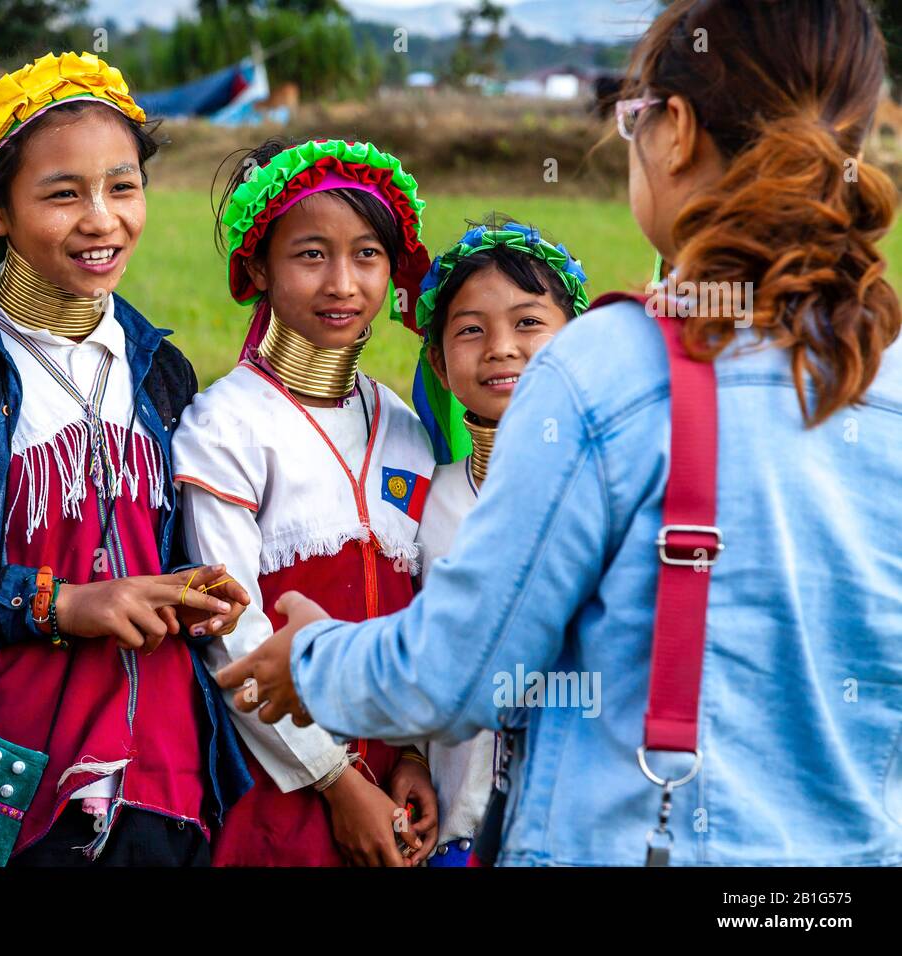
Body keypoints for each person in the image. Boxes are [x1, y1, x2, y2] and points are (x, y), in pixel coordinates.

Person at [217, 0, 902, 866]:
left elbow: (458, 669)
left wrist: (311, 661)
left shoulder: (608, 370)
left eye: (634, 120)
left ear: (678, 130)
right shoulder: (886, 369)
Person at [0, 52, 252, 867]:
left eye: (123, 187)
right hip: (7, 794)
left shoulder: (160, 371)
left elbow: (145, 561)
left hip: (162, 784)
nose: (102, 219)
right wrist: (63, 605)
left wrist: (187, 591)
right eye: (64, 193)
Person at [171, 138, 438, 866]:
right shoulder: (225, 425)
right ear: (257, 266)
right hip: (275, 782)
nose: (342, 283)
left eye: (367, 256)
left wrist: (412, 754)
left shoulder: (407, 434)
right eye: (311, 255)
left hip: (394, 786)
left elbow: (420, 613)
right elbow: (231, 629)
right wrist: (334, 779)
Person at [409, 216, 589, 865]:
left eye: (529, 323)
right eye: (471, 330)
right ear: (437, 358)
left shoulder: (612, 498)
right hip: (454, 832)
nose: (501, 348)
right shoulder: (421, 506)